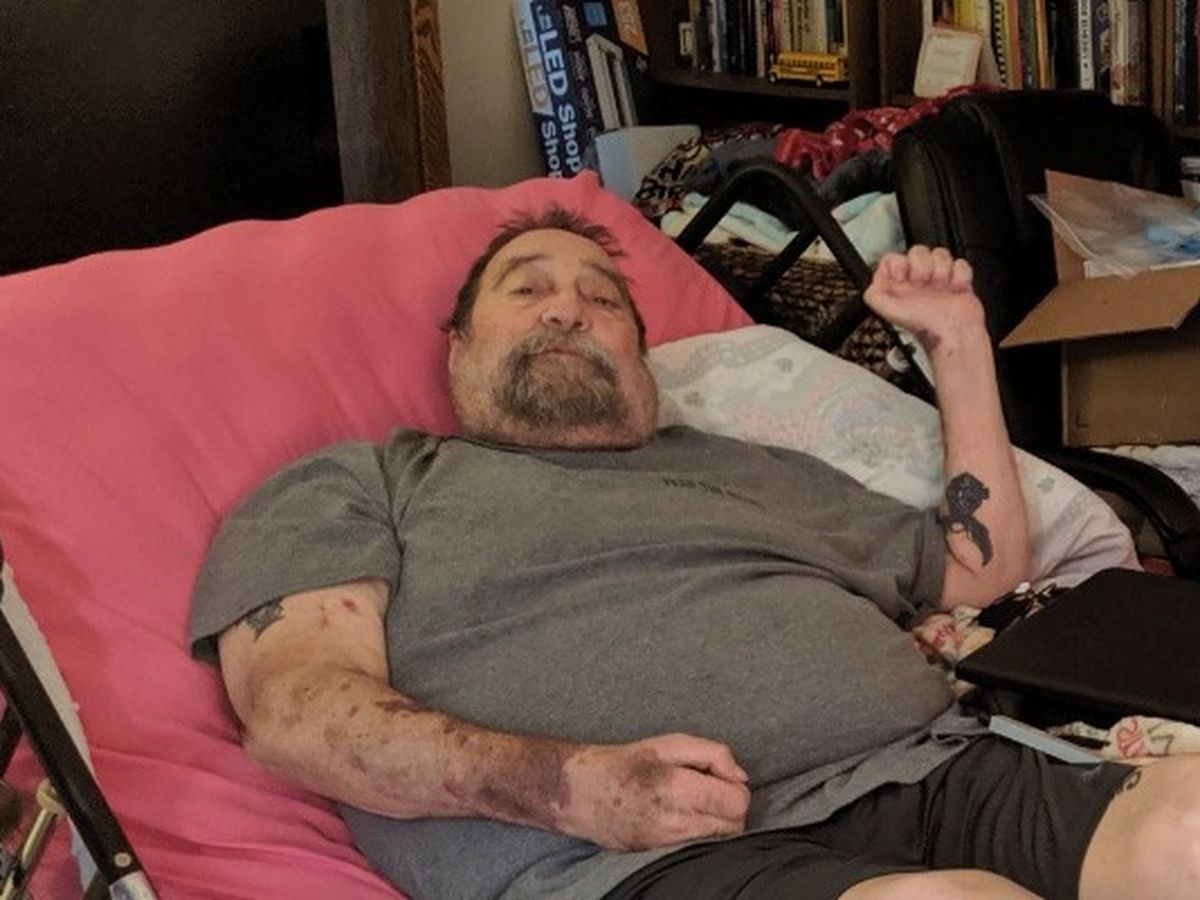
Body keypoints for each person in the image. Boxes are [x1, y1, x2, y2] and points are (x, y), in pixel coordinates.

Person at [190, 207, 1200, 900]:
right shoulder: (369, 482)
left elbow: (982, 570)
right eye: (526, 289)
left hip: (925, 771)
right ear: (458, 346)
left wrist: (959, 344)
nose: (567, 308)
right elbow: (299, 714)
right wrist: (569, 785)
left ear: (640, 357)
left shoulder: (749, 469)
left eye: (603, 300)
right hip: (630, 863)